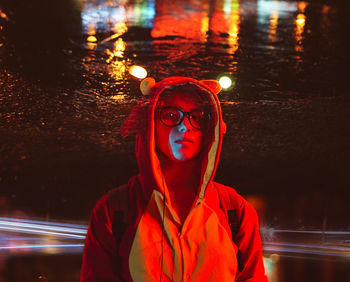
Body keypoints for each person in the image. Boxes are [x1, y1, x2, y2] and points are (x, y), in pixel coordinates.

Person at [80, 76, 268, 281]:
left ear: (210, 128)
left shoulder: (235, 210)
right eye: (170, 115)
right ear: (149, 123)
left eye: (198, 117)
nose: (184, 126)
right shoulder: (113, 211)